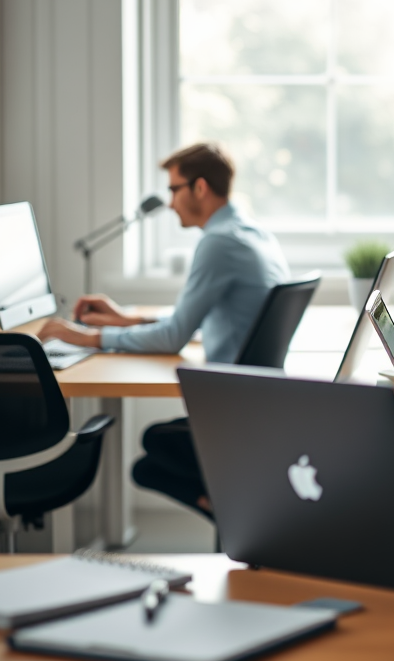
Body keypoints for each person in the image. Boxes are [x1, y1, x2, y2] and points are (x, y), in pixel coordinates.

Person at [39, 142, 290, 517]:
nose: (170, 202)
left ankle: (233, 514)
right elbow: (196, 318)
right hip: (263, 403)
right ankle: (227, 508)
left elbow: (175, 337)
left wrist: (88, 337)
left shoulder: (218, 243)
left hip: (240, 411)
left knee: (153, 445)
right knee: (147, 465)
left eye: (174, 189)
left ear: (200, 188)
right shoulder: (250, 232)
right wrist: (124, 319)